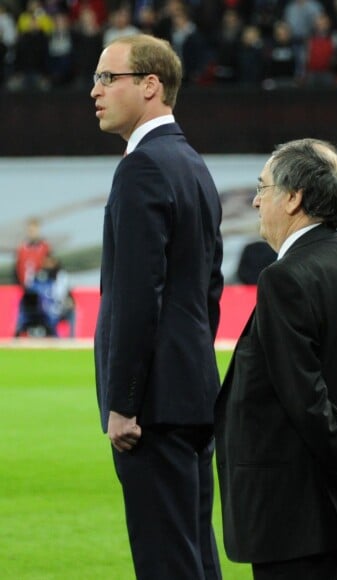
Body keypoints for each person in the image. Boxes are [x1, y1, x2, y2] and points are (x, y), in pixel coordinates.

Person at [215, 138, 337, 580]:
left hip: (295, 517)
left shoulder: (285, 278)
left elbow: (306, 398)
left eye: (264, 188)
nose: (256, 200)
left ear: (294, 198)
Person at [91, 34, 224, 580]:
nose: (94, 91)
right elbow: (209, 291)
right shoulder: (193, 165)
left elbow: (137, 294)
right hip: (190, 395)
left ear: (150, 86)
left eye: (106, 78)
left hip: (153, 408)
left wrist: (123, 401)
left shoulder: (142, 168)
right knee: (194, 555)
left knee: (167, 563)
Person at [14, 217, 52, 287]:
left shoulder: (45, 247)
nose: (32, 233)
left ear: (38, 230)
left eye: (34, 230)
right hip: (24, 287)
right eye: (30, 230)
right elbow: (16, 269)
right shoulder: (21, 248)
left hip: (40, 287)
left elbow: (50, 268)